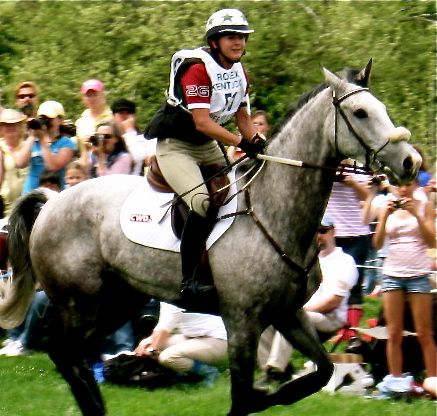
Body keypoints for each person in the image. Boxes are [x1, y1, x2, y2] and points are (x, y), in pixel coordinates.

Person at [145, 8, 266, 304]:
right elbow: (202, 121)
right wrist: (240, 141)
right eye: (231, 37)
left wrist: (258, 142)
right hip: (177, 145)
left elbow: (243, 119)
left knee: (237, 195)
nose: (238, 42)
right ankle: (189, 279)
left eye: (242, 37)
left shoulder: (240, 73)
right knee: (202, 203)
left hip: (207, 143)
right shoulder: (198, 68)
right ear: (215, 42)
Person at [256, 215, 358, 388]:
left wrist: (299, 310)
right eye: (315, 231)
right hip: (305, 314)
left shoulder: (345, 261)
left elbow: (334, 302)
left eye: (323, 231)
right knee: (263, 320)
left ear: (333, 232)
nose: (318, 235)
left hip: (330, 319)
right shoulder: (305, 260)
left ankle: (275, 371)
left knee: (290, 318)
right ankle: (277, 370)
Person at [373, 178, 436, 395]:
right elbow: (377, 243)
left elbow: (432, 242)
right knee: (393, 333)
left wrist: (417, 215)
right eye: (399, 184)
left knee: (424, 333)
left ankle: (433, 382)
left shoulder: (424, 204)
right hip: (392, 274)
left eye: (408, 184)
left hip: (418, 274)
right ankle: (395, 383)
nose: (403, 189)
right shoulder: (388, 204)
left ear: (416, 185)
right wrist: (383, 218)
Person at [325, 160, 372, 337]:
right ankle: (333, 324)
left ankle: (351, 330)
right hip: (331, 234)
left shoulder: (359, 169)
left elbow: (368, 197)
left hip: (356, 234)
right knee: (330, 281)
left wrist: (352, 183)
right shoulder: (326, 166)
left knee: (354, 283)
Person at [134, 301, 227, 386]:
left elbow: (164, 329)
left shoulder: (175, 296)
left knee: (168, 357)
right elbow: (162, 326)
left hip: (219, 340)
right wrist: (146, 342)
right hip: (197, 336)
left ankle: (210, 372)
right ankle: (185, 374)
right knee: (159, 347)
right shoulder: (168, 297)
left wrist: (151, 349)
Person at [21, 101, 76, 194]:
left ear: (60, 120)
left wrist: (42, 140)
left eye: (49, 118)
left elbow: (53, 166)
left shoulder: (66, 143)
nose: (45, 121)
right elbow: (20, 163)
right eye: (42, 118)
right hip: (31, 192)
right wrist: (32, 136)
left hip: (55, 194)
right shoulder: (33, 140)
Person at [111, 98, 156, 174]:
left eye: (129, 113)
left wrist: (129, 131)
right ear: (113, 116)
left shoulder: (146, 139)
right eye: (121, 113)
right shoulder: (110, 139)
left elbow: (143, 160)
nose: (125, 116)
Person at [75, 79, 113, 167]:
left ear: (103, 95)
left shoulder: (112, 117)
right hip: (88, 166)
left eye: (95, 94)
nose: (92, 98)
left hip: (110, 163)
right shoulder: (80, 122)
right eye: (88, 95)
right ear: (83, 98)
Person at [0, 109, 29, 217]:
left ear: (21, 126)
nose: (10, 127)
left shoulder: (29, 146)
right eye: (6, 125)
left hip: (28, 206)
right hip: (4, 208)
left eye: (15, 124)